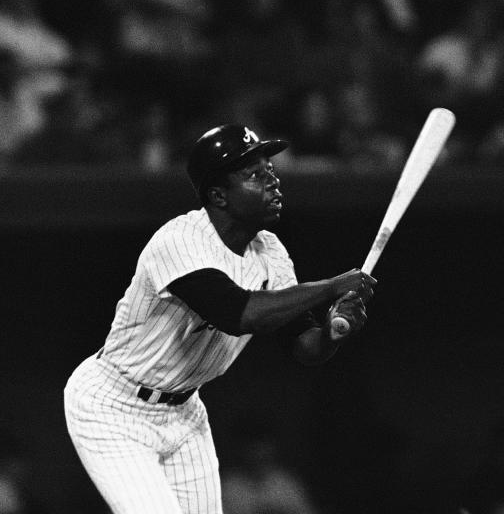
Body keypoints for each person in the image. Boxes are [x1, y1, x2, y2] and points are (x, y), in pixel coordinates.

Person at [63, 123, 375, 514]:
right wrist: (332, 286)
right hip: (114, 405)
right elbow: (238, 313)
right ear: (218, 195)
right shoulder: (180, 240)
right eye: (255, 175)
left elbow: (304, 347)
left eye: (271, 172)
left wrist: (332, 331)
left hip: (184, 411)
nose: (273, 182)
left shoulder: (271, 254)